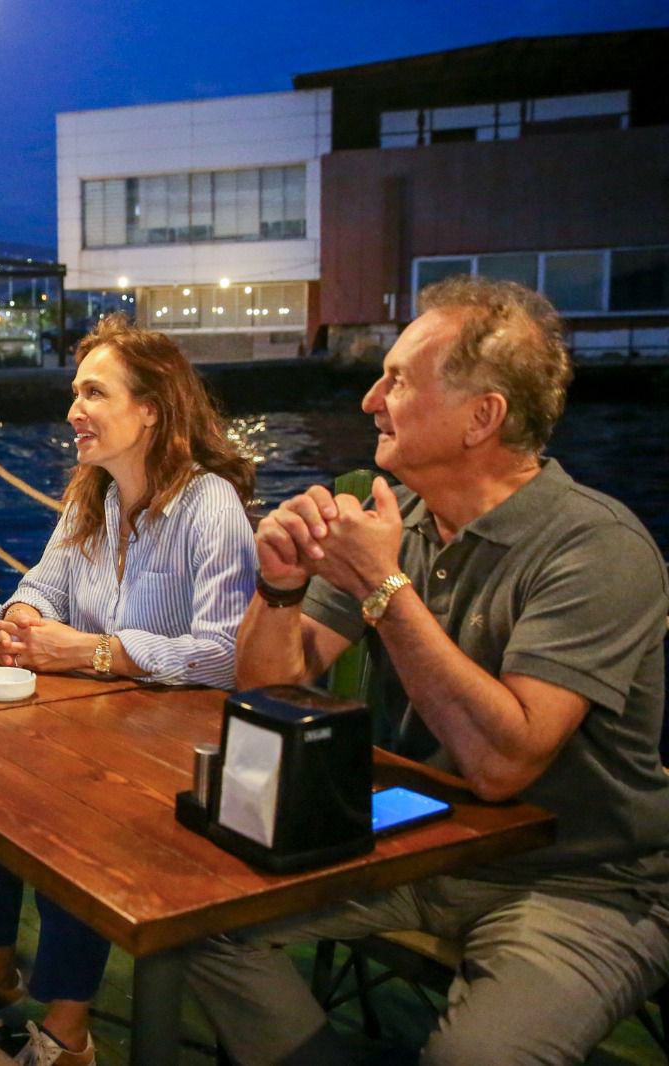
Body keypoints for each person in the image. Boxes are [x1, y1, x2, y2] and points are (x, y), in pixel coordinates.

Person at [186, 276, 669, 1065]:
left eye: (399, 380)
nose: (370, 399)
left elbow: (503, 766)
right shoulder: (402, 525)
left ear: (483, 417)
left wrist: (383, 587)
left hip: (582, 879)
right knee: (193, 925)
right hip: (418, 839)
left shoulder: (597, 548)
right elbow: (269, 690)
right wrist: (278, 586)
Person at [0, 315, 258, 1066]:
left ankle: (68, 1034)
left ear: (150, 409)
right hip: (93, 730)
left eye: (94, 393)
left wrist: (94, 653)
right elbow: (42, 582)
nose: (73, 411)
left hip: (177, 752)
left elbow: (227, 657)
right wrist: (26, 619)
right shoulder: (94, 494)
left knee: (73, 825)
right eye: (75, 393)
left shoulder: (210, 504)